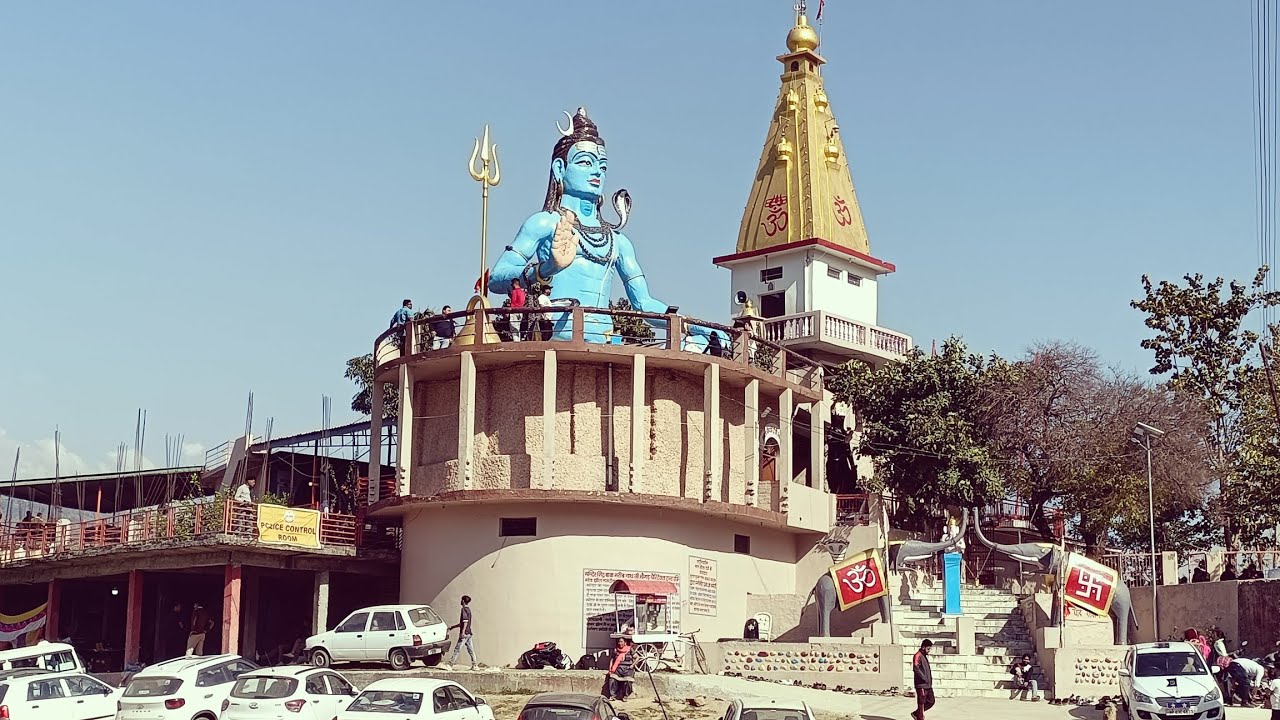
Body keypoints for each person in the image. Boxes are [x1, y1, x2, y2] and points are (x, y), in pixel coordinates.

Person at [445, 595, 476, 670]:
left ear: (463, 601)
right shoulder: (468, 610)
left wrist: (462, 633)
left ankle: (450, 664)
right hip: (469, 633)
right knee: (471, 650)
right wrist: (452, 627)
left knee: (457, 649)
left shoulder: (464, 610)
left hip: (465, 634)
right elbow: (462, 623)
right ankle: (474, 665)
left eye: (461, 600)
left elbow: (465, 622)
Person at [603, 636, 635, 701]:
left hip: (628, 669)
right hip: (618, 669)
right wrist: (610, 669)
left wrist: (632, 665)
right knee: (612, 679)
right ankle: (613, 695)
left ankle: (625, 696)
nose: (619, 643)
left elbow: (637, 657)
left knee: (628, 681)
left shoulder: (630, 649)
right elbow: (612, 660)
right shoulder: (616, 650)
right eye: (619, 642)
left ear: (625, 643)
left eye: (621, 642)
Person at [912, 639, 935, 720]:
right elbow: (916, 668)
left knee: (931, 701)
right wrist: (924, 678)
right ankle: (919, 716)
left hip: (928, 685)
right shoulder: (917, 655)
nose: (929, 651)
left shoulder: (924, 656)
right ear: (923, 647)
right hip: (921, 684)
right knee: (921, 703)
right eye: (928, 649)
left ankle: (916, 713)